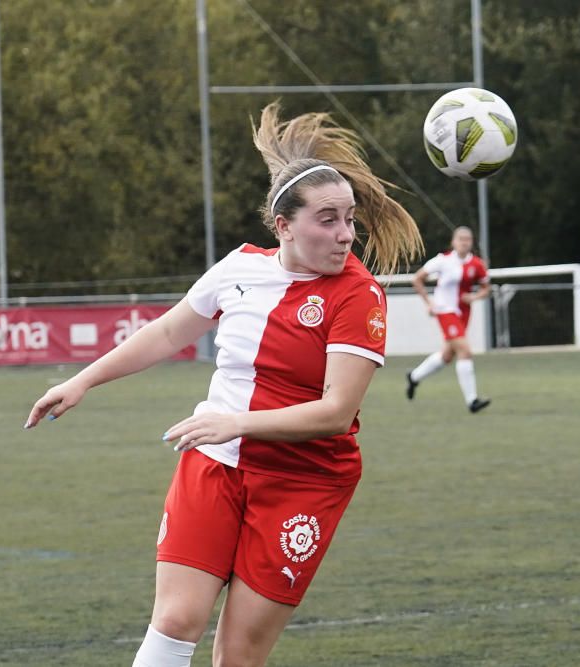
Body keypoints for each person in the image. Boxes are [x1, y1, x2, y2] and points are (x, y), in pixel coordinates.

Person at [25, 102, 423, 667]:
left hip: (304, 479)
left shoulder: (359, 295)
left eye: (350, 218)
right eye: (328, 219)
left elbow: (336, 412)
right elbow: (166, 332)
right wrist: (83, 380)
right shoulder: (239, 268)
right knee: (174, 621)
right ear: (283, 226)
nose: (345, 235)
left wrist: (234, 421)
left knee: (238, 655)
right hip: (214, 462)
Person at [405, 226, 492, 413]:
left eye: (467, 239)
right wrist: (429, 303)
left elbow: (486, 288)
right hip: (445, 311)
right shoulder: (442, 261)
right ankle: (472, 401)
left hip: (464, 313)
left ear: (471, 243)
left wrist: (474, 297)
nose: (464, 242)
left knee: (447, 355)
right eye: (460, 239)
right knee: (465, 351)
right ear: (453, 242)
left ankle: (413, 377)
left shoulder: (476, 264)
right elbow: (417, 279)